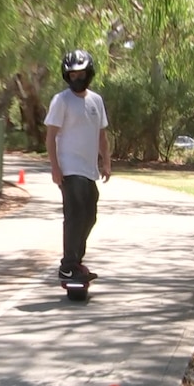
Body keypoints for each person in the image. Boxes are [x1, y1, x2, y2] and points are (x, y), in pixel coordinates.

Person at [44, 49, 112, 283]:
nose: (77, 78)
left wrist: (107, 162)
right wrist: (55, 167)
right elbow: (50, 137)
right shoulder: (61, 101)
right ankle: (68, 265)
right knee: (75, 215)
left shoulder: (96, 101)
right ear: (66, 76)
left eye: (81, 74)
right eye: (72, 75)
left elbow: (101, 136)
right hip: (69, 168)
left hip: (89, 170)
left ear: (89, 73)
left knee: (90, 215)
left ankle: (76, 262)